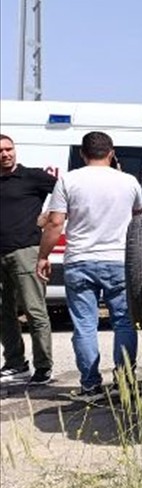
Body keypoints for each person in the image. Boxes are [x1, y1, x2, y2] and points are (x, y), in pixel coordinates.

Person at [36, 132, 142, 402]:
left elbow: (55, 223)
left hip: (79, 261)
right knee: (123, 323)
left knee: (85, 325)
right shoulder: (128, 181)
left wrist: (43, 256)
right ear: (111, 152)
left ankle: (90, 386)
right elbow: (138, 217)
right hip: (119, 260)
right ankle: (125, 383)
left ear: (83, 154)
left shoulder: (69, 180)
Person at [0, 134, 58, 386]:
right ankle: (15, 364)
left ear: (15, 150)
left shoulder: (32, 177)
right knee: (3, 314)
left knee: (35, 312)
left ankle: (43, 368)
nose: (5, 154)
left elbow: (66, 192)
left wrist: (47, 217)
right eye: (0, 151)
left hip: (26, 252)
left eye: (8, 149)